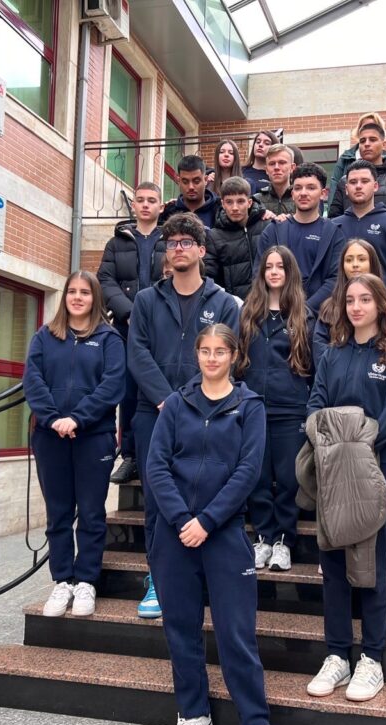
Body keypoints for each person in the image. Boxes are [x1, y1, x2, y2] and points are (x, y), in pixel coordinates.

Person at [146, 324, 293, 725]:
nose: (212, 358)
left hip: (224, 533)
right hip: (174, 535)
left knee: (236, 633)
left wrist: (207, 521)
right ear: (196, 355)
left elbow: (248, 471)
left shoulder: (250, 406)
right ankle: (193, 716)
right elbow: (156, 466)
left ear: (233, 356)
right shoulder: (176, 404)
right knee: (181, 630)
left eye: (220, 352)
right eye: (205, 351)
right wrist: (182, 520)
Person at [305, 273, 386, 703]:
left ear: (380, 304)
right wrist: (334, 442)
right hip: (332, 473)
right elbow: (315, 408)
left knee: (371, 570)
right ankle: (337, 655)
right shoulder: (332, 355)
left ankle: (372, 658)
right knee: (333, 569)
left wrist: (352, 441)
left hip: (376, 471)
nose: (356, 307)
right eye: (350, 299)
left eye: (365, 299)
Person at [127, 213, 241, 619]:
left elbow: (223, 356)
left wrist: (188, 401)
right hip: (152, 412)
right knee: (158, 500)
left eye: (185, 242)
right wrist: (165, 400)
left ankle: (202, 578)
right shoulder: (146, 300)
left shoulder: (223, 303)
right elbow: (137, 353)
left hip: (205, 412)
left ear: (201, 250)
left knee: (204, 494)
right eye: (171, 243)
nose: (177, 248)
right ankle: (158, 580)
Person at [22, 271, 126, 618]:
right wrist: (53, 418)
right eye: (72, 292)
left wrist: (78, 418)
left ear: (95, 298)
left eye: (85, 292)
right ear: (64, 296)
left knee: (92, 513)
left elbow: (112, 386)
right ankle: (62, 580)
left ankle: (86, 582)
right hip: (49, 437)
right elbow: (33, 380)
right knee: (59, 514)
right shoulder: (45, 336)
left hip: (93, 437)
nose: (78, 297)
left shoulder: (109, 339)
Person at [237, 246, 314, 572]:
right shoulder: (248, 313)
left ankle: (283, 541)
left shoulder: (302, 315)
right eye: (268, 266)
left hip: (290, 409)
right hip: (253, 408)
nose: (273, 272)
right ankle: (263, 539)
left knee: (287, 479)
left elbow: (312, 367)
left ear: (289, 272)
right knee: (257, 477)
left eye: (280, 266)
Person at [98, 181, 168, 484]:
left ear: (161, 207)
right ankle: (130, 456)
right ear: (134, 205)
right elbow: (105, 280)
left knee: (159, 388)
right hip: (126, 327)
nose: (145, 205)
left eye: (152, 200)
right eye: (140, 200)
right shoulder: (117, 243)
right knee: (127, 392)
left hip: (163, 327)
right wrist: (129, 313)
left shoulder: (169, 240)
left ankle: (162, 451)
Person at [256, 162, 346, 313]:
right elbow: (259, 274)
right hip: (278, 314)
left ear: (323, 193)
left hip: (318, 317)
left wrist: (305, 310)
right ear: (292, 194)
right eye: (298, 188)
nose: (303, 193)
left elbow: (335, 279)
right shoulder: (273, 231)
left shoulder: (333, 233)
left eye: (311, 188)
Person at [331, 160, 386, 306]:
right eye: (353, 182)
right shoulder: (333, 226)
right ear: (346, 189)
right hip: (340, 307)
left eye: (364, 181)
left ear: (375, 186)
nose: (358, 186)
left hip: (382, 307)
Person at [313, 238, 386, 363]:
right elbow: (319, 347)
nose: (355, 264)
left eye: (361, 259)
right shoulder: (329, 306)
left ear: (372, 263)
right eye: (348, 260)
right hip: (334, 372)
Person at [327, 121, 386, 232]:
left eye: (372, 139)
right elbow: (334, 217)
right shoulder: (344, 181)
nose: (366, 144)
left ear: (384, 144)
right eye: (362, 141)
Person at [206, 176, 270, 301]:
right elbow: (210, 278)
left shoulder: (267, 227)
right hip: (234, 306)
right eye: (229, 202)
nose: (235, 207)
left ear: (249, 202)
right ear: (223, 204)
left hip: (267, 303)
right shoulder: (214, 237)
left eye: (240, 201)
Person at [326, 112, 386, 201]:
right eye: (364, 127)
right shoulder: (345, 159)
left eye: (372, 126)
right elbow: (335, 187)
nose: (368, 129)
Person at [161, 155, 219, 228]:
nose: (191, 187)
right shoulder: (168, 213)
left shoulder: (218, 212)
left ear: (206, 180)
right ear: (178, 181)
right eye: (185, 182)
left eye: (196, 181)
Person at [253, 144, 296, 219]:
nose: (276, 167)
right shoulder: (256, 200)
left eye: (282, 162)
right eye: (272, 164)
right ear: (266, 170)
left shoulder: (302, 199)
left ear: (292, 167)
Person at [242, 129, 279, 194]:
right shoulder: (241, 171)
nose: (260, 145)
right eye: (258, 142)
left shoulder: (276, 174)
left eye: (266, 143)